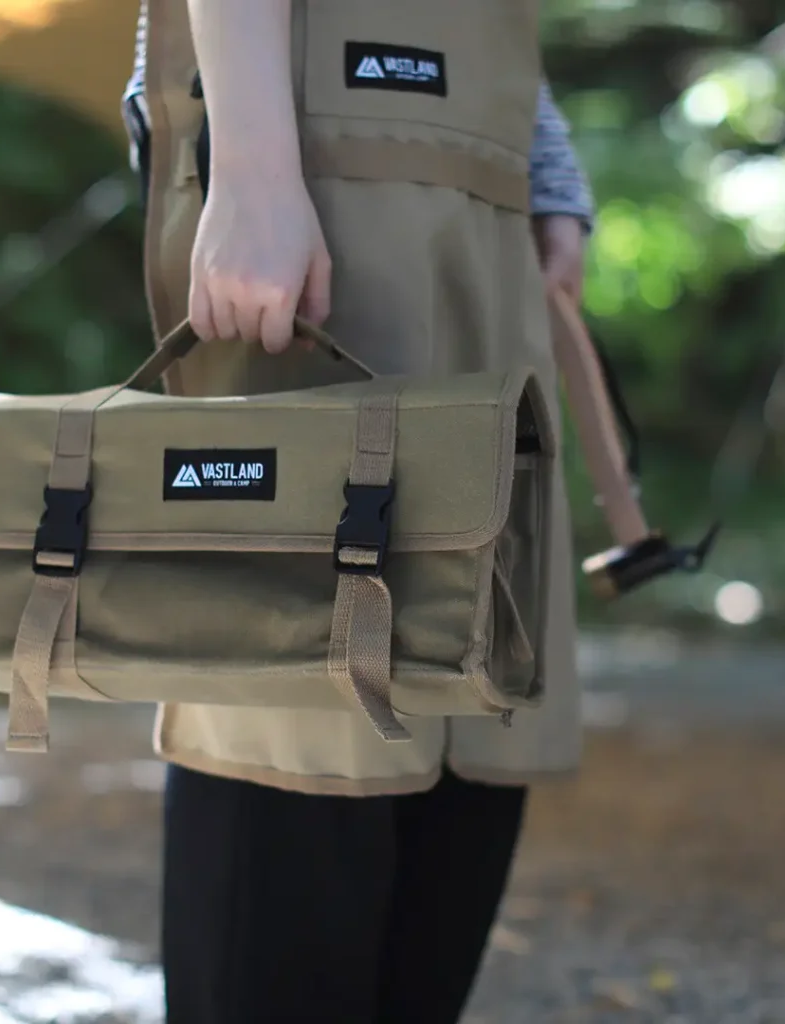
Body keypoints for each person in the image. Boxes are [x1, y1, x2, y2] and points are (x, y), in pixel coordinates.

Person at [122, 3, 594, 1022]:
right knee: (302, 692)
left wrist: (548, 168)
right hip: (310, 145)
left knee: (476, 663)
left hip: (486, 169)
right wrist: (252, 172)